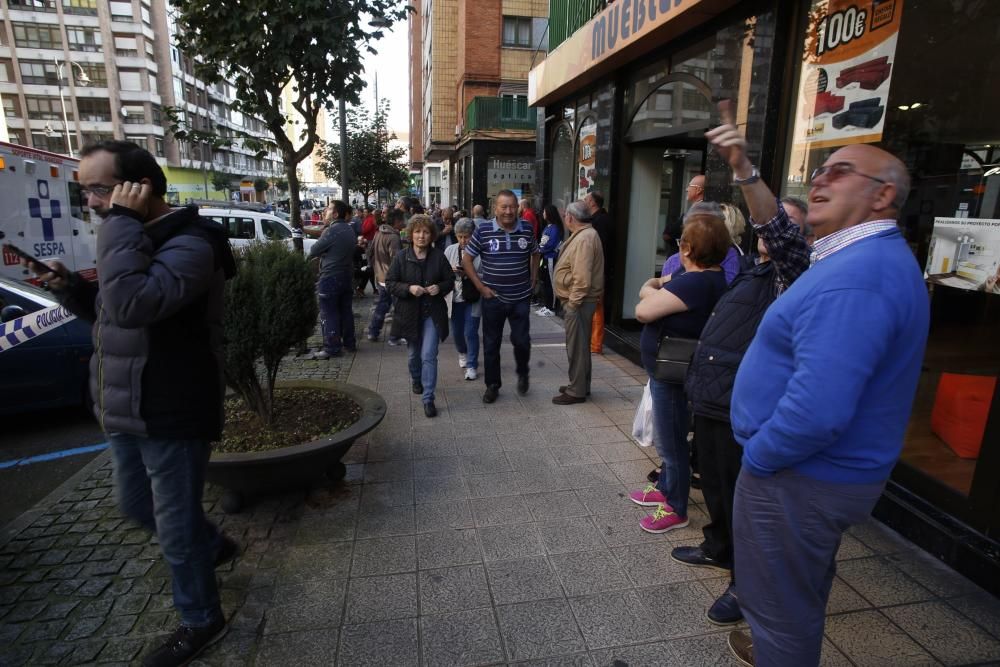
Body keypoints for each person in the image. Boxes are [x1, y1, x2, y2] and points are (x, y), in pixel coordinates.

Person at [708, 101, 928, 667]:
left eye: (841, 171)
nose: (822, 178)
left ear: (882, 196)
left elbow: (819, 409)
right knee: (795, 593)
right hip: (808, 476)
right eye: (822, 168)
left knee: (777, 611)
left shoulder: (861, 275)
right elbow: (777, 231)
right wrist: (743, 167)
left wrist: (761, 456)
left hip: (797, 475)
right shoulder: (848, 260)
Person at [26, 141, 236, 666]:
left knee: (174, 524)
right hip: (124, 407)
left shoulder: (192, 242)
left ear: (141, 187)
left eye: (101, 188)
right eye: (86, 191)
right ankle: (212, 548)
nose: (94, 202)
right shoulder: (134, 239)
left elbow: (133, 304)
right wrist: (73, 289)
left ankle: (201, 616)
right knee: (135, 505)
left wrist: (119, 223)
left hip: (170, 408)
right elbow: (112, 312)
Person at [674, 198, 811, 626]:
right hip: (717, 393)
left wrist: (745, 172)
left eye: (782, 222)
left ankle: (744, 583)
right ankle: (718, 547)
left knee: (741, 499)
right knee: (714, 481)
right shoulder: (752, 266)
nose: (767, 228)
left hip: (744, 401)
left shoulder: (796, 273)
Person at [630, 214, 730, 533]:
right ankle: (665, 488)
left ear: (686, 248)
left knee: (671, 443)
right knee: (672, 437)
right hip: (679, 370)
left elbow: (643, 309)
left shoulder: (694, 282)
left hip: (672, 375)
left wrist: (652, 284)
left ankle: (676, 506)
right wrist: (662, 286)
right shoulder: (712, 279)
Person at [462, 189, 539, 403]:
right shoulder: (484, 230)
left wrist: (534, 278)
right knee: (491, 344)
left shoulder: (526, 229)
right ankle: (493, 385)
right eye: (504, 207)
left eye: (512, 207)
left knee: (522, 341)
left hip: (520, 297)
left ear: (518, 208)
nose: (508, 211)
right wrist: (480, 287)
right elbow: (467, 260)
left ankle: (523, 372)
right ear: (495, 209)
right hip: (493, 299)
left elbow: (535, 252)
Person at [385, 214, 453, 418]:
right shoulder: (401, 257)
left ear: (431, 235)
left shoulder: (438, 256)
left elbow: (449, 280)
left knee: (428, 355)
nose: (421, 236)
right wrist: (409, 288)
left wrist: (439, 288)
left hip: (432, 313)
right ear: (411, 234)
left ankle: (428, 398)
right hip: (409, 313)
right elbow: (390, 283)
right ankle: (416, 378)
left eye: (425, 232)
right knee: (414, 355)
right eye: (417, 231)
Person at [551, 201, 604, 404]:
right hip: (581, 300)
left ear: (571, 218)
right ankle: (581, 384)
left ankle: (576, 390)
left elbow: (582, 278)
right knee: (580, 346)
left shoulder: (585, 238)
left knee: (577, 347)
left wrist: (573, 304)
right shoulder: (585, 235)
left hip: (579, 302)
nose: (564, 219)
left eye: (566, 216)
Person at [309, 200, 358, 358]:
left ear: (336, 214)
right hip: (346, 275)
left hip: (330, 277)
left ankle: (332, 347)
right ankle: (349, 343)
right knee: (345, 311)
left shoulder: (332, 230)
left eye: (329, 209)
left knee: (329, 313)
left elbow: (314, 250)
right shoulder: (349, 230)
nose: (325, 211)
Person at [444, 218, 482, 380]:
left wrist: (469, 274)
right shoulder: (450, 250)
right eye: (459, 236)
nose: (463, 240)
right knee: (457, 332)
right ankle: (462, 352)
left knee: (471, 331)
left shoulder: (481, 252)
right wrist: (451, 272)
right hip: (455, 298)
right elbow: (442, 274)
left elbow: (487, 275)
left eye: (466, 236)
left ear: (473, 235)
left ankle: (472, 365)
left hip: (473, 298)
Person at [367, 207, 406, 344]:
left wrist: (377, 269)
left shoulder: (379, 233)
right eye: (402, 220)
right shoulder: (393, 237)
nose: (404, 222)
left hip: (381, 276)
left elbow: (370, 253)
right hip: (391, 279)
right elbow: (397, 261)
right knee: (400, 308)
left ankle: (373, 331)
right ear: (396, 221)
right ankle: (395, 336)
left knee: (382, 305)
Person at [584, 191, 614, 353]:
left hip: (598, 269)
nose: (584, 202)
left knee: (596, 305)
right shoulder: (597, 219)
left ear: (593, 203)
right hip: (596, 268)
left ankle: (595, 343)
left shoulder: (601, 221)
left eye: (586, 199)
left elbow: (598, 247)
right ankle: (592, 341)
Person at [663, 174, 705, 257]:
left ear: (698, 190)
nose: (687, 189)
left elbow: (668, 234)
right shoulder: (698, 210)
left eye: (690, 186)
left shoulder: (698, 213)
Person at [537, 204, 564, 316]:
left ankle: (552, 307)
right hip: (545, 258)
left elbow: (551, 244)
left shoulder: (555, 228)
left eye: (544, 211)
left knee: (551, 282)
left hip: (551, 258)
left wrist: (541, 249)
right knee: (546, 282)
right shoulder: (548, 227)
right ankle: (547, 305)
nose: (543, 213)